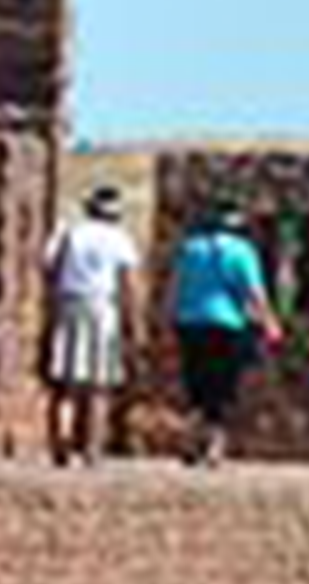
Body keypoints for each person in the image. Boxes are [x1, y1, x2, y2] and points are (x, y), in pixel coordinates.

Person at [168, 204, 286, 467]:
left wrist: (174, 315)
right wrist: (270, 322)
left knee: (196, 384)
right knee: (222, 387)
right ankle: (214, 446)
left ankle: (192, 439)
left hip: (190, 322)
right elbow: (254, 292)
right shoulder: (241, 251)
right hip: (226, 323)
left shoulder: (190, 249)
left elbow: (176, 285)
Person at [38, 182, 143, 467]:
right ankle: (91, 449)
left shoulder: (70, 235)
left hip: (68, 303)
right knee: (98, 384)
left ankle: (59, 442)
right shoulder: (119, 240)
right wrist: (133, 323)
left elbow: (51, 270)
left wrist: (49, 310)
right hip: (101, 308)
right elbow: (128, 283)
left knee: (65, 383)